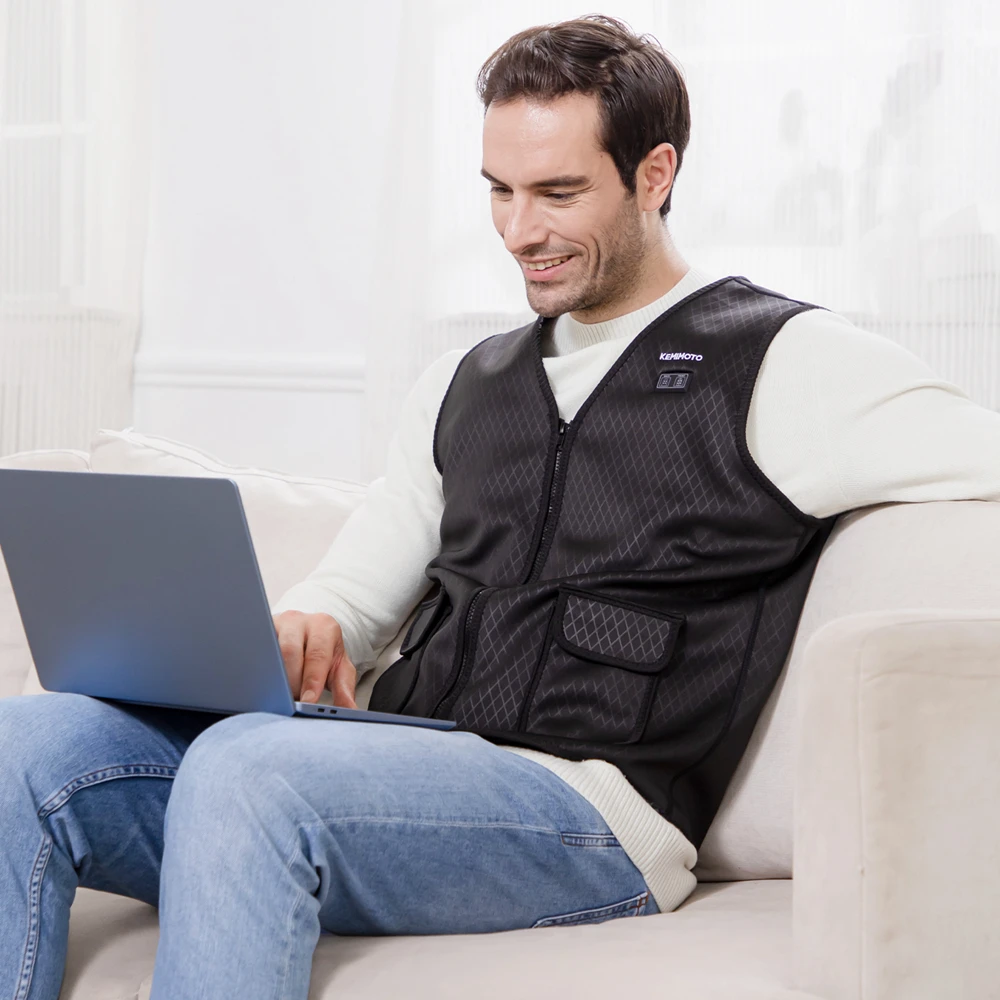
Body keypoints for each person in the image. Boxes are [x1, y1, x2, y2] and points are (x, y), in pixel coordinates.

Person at [2, 14, 999, 1000]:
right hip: (395, 771)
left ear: (654, 175)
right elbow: (355, 587)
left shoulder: (781, 361)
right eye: (499, 190)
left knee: (248, 771)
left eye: (558, 193)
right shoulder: (461, 383)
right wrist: (310, 623)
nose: (520, 232)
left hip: (592, 814)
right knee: (25, 746)